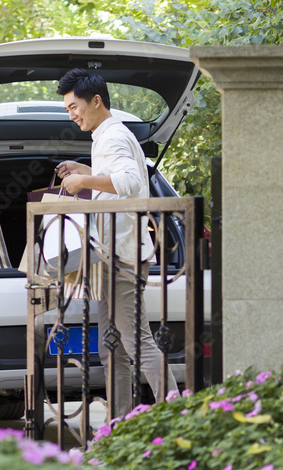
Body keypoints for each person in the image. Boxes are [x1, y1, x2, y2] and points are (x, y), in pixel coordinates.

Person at [55, 68, 177, 415]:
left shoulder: (113, 137)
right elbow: (119, 179)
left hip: (123, 256)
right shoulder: (105, 137)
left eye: (74, 106)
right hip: (113, 253)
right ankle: (120, 423)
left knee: (137, 341)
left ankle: (181, 414)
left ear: (96, 101)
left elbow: (130, 180)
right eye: (67, 109)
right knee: (112, 345)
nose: (72, 114)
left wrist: (86, 182)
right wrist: (84, 170)